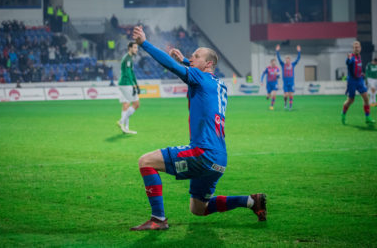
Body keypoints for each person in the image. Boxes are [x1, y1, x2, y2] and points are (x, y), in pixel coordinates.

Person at [130, 26, 266, 231]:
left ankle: (158, 219)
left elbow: (171, 66)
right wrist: (185, 60)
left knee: (145, 161)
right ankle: (251, 201)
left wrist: (144, 44)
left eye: (196, 56)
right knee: (198, 208)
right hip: (220, 158)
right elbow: (198, 73)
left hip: (203, 152)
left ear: (208, 63)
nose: (191, 58)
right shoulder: (219, 84)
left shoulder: (200, 78)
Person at [342, 41, 375, 125]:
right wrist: (348, 59)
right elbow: (348, 62)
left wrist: (361, 74)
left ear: (360, 48)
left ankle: (367, 117)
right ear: (353, 49)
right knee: (350, 100)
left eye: (358, 47)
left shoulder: (359, 56)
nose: (357, 48)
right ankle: (343, 114)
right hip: (352, 81)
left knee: (366, 98)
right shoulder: (351, 57)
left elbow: (357, 68)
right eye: (355, 47)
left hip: (359, 80)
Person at [117, 42, 140, 134]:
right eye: (135, 47)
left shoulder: (129, 58)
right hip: (126, 84)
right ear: (130, 48)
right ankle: (121, 121)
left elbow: (132, 73)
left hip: (123, 83)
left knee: (126, 105)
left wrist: (136, 84)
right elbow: (128, 73)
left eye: (137, 48)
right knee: (136, 104)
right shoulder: (128, 59)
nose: (136, 49)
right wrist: (133, 85)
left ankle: (125, 128)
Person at [276, 44, 301, 110]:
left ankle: (290, 105)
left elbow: (298, 59)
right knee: (286, 94)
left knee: (291, 94)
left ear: (290, 60)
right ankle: (285, 103)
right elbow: (278, 58)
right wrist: (277, 51)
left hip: (291, 81)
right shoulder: (283, 64)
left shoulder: (292, 64)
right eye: (286, 60)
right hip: (285, 82)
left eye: (288, 60)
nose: (287, 61)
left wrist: (299, 51)